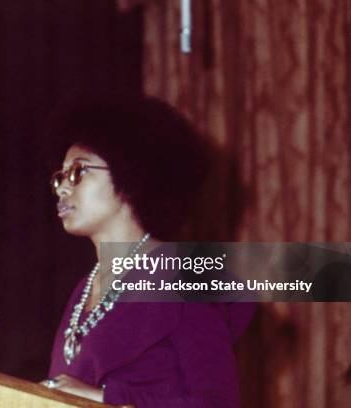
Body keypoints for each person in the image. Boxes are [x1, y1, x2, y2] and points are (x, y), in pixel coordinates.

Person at [43, 96, 255, 407]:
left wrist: (107, 398)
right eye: (59, 177)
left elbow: (217, 403)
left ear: (130, 175)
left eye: (78, 171)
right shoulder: (83, 290)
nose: (62, 187)